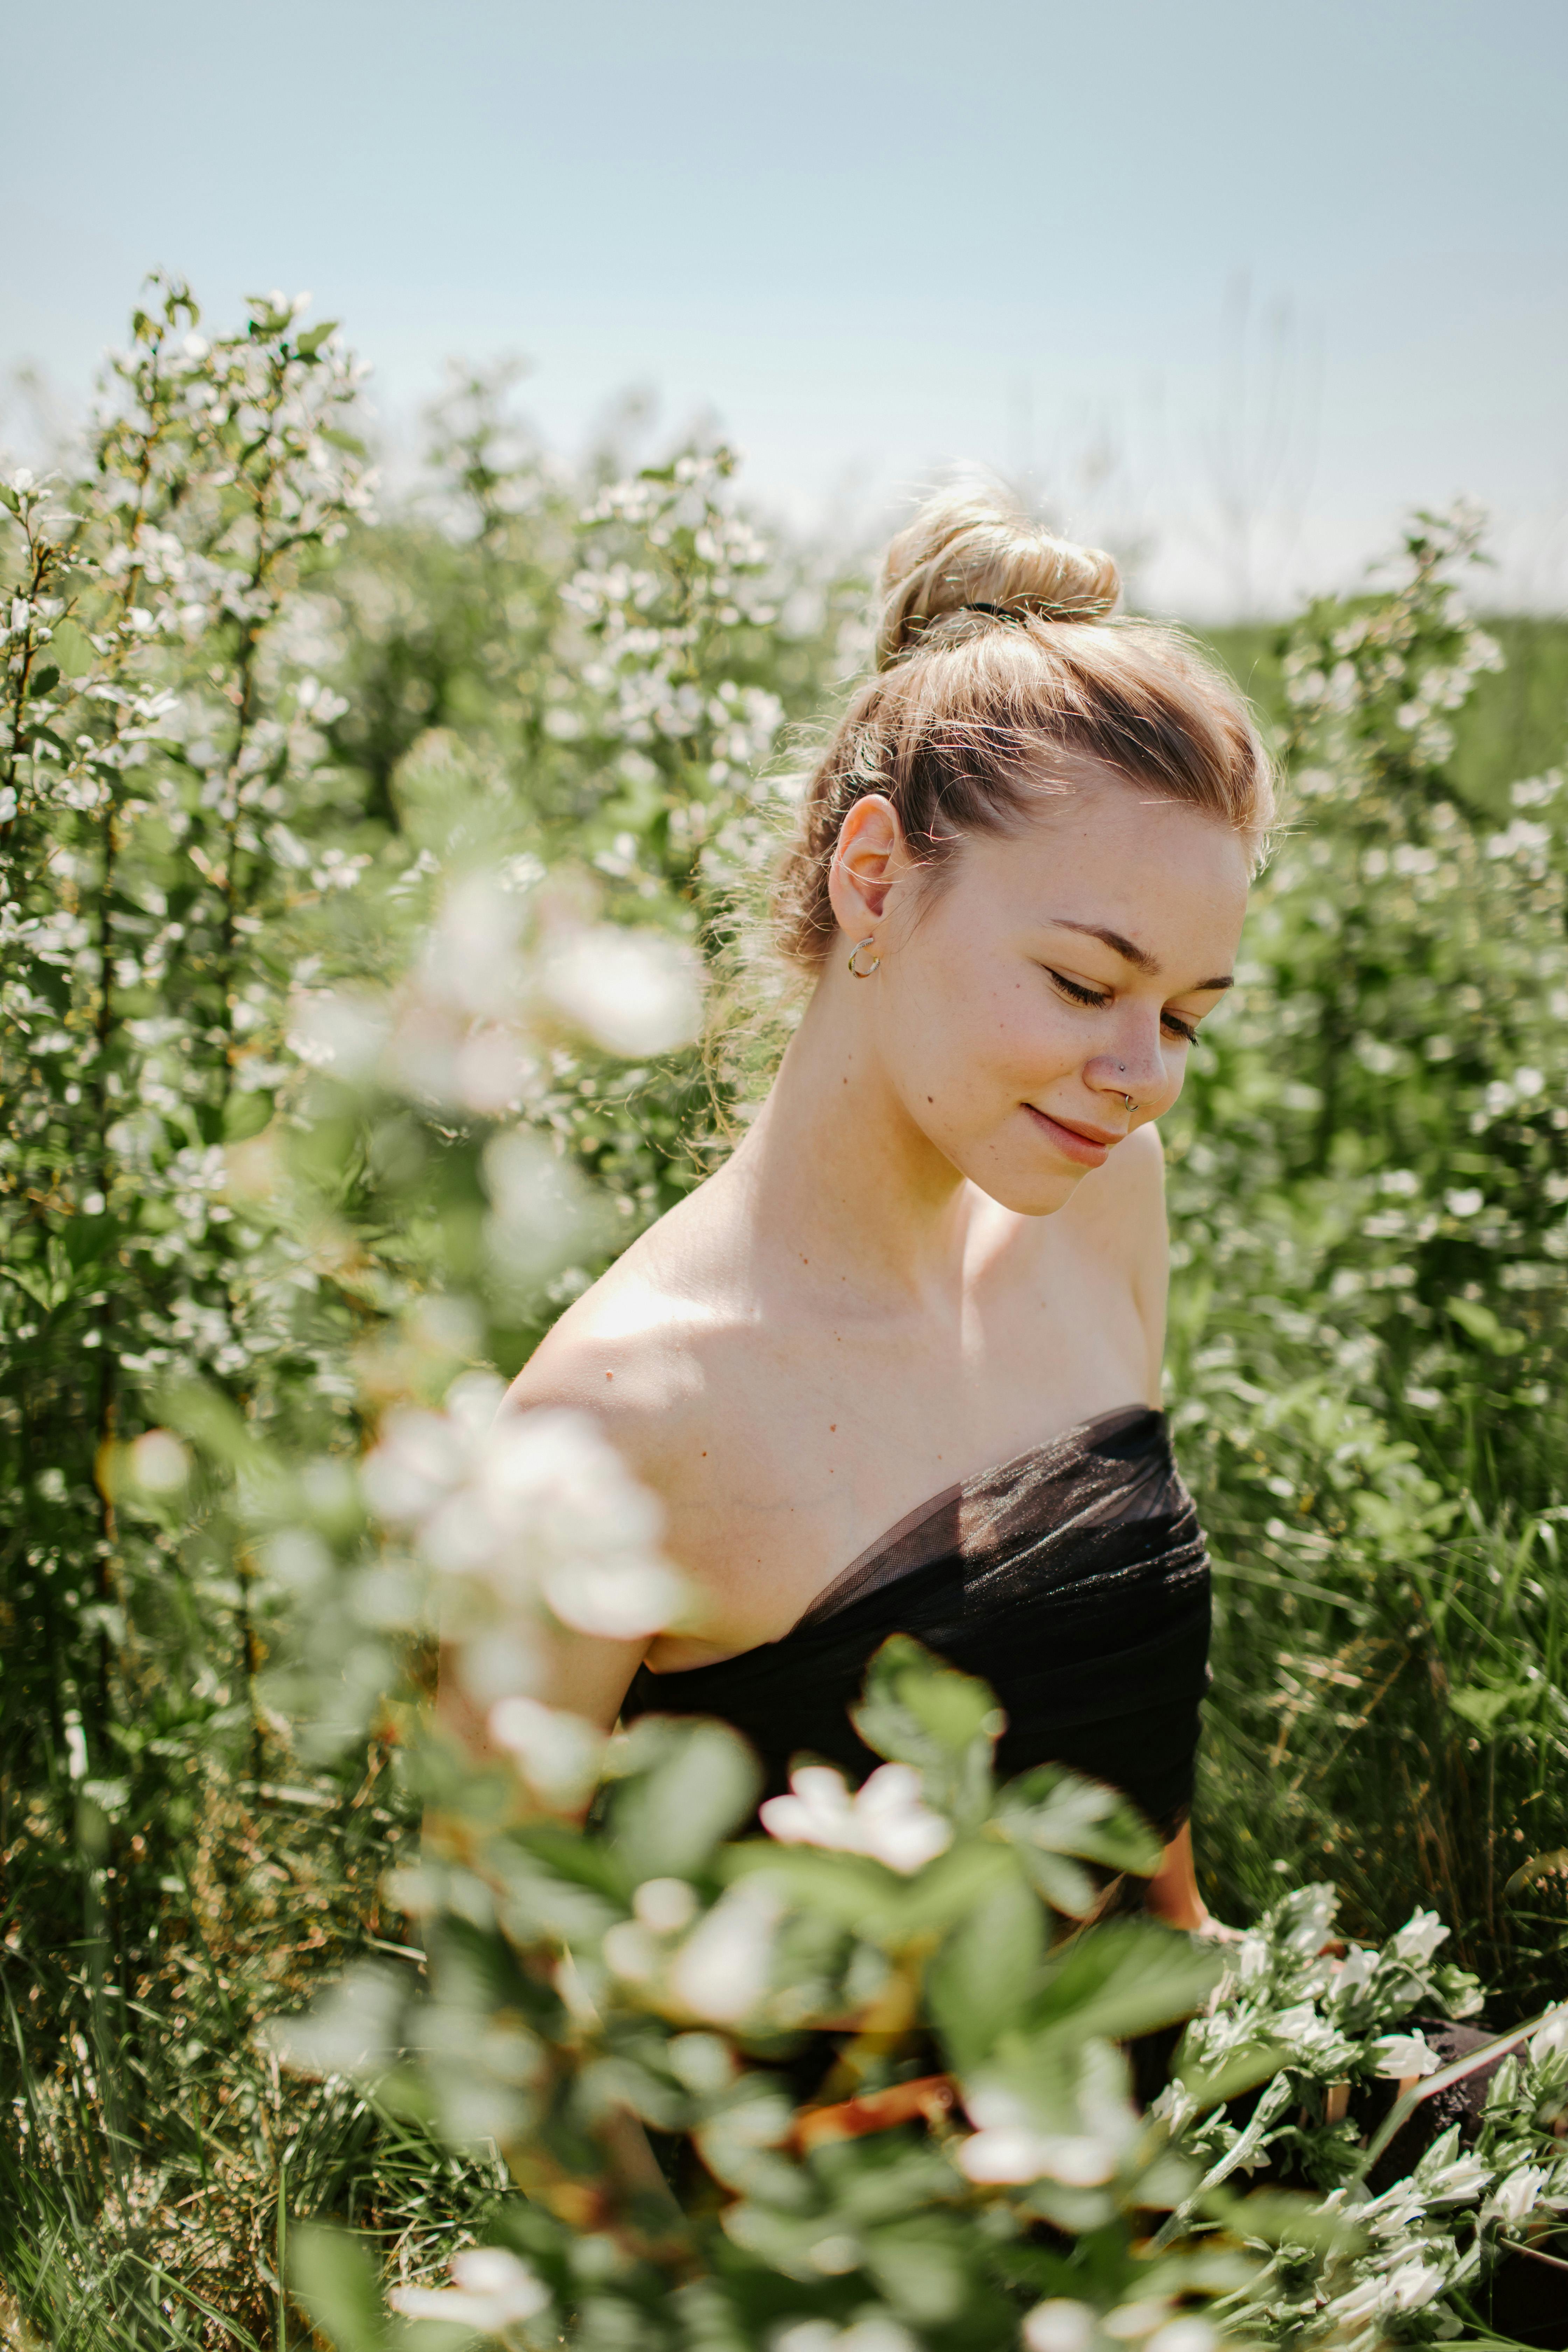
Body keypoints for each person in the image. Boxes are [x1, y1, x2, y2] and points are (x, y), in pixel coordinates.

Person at [476, 489, 1272, 1932]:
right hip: (851, 2151)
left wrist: (1244, 1998)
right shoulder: (613, 1424)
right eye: (1087, 987)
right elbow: (500, 1985)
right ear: (874, 881)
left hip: (1172, 2079)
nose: (1139, 1078)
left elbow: (1128, 1776)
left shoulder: (1104, 1206)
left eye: (1187, 1016)